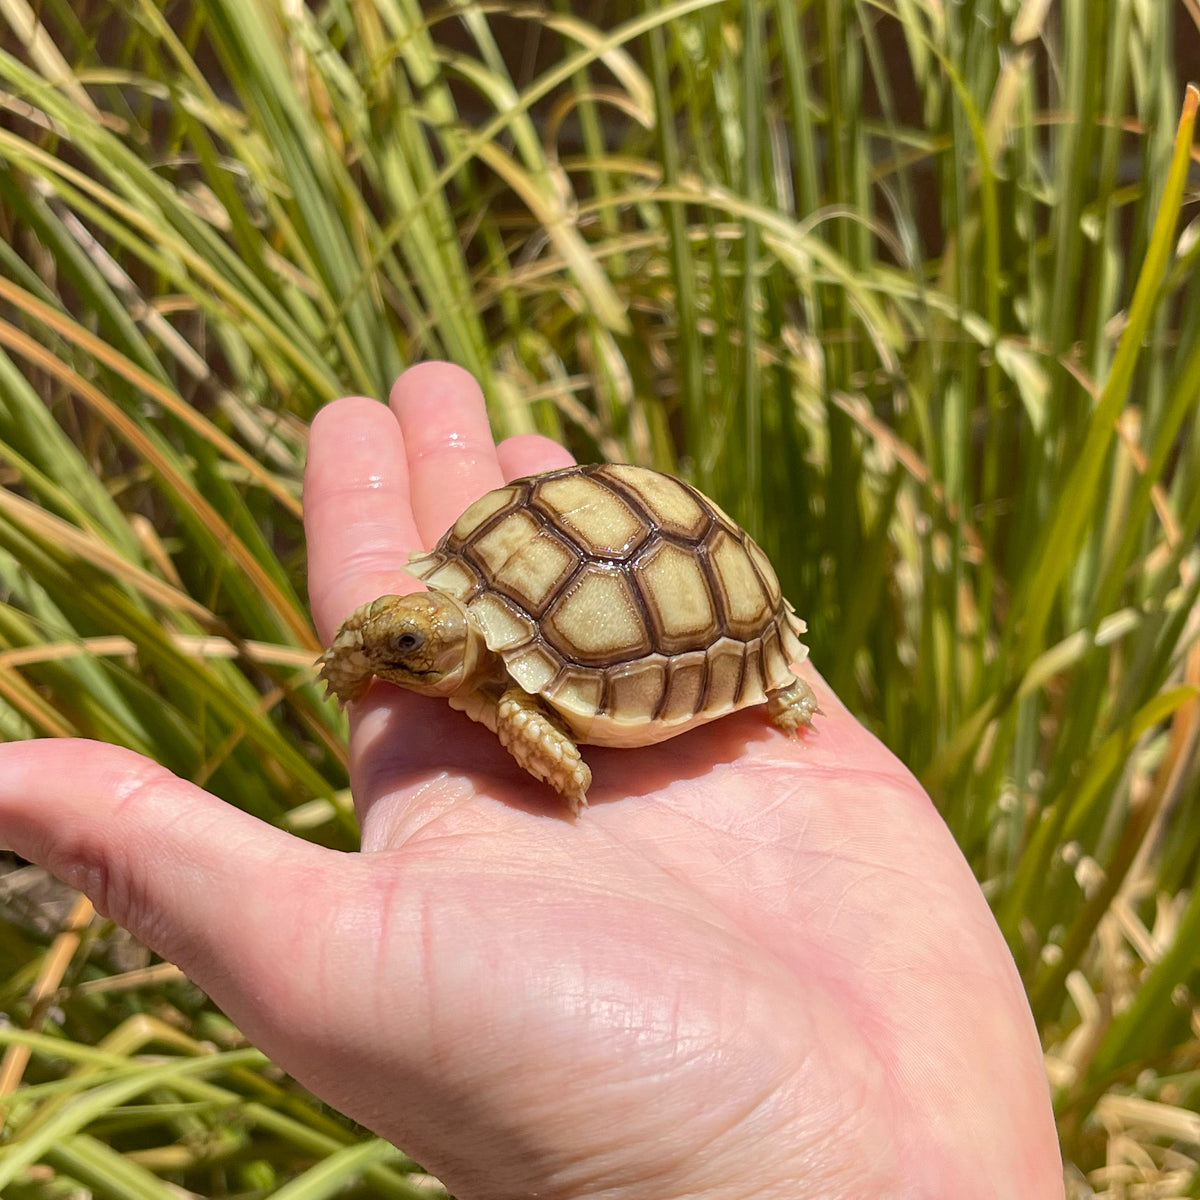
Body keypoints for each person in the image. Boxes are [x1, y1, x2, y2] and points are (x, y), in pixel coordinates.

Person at [0, 363, 1064, 1199]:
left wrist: (563, 765)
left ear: (456, 650)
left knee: (615, 689)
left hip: (690, 606)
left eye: (410, 650)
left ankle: (771, 681)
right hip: (574, 565)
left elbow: (555, 745)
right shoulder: (439, 622)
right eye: (401, 644)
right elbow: (382, 630)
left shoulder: (515, 697)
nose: (389, 657)